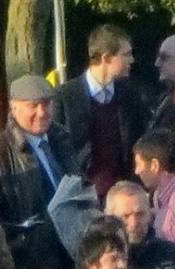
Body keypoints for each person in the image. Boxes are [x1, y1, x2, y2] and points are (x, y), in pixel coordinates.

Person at [0, 75, 83, 269]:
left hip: (72, 255)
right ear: (13, 107)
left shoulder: (62, 140)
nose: (41, 113)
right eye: (33, 106)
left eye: (46, 104)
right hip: (27, 264)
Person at [52, 24, 148, 197]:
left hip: (124, 196)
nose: (132, 60)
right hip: (80, 196)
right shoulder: (64, 97)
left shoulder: (130, 95)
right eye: (126, 54)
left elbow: (140, 142)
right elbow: (56, 148)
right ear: (106, 58)